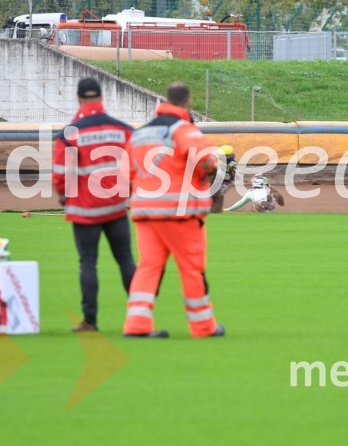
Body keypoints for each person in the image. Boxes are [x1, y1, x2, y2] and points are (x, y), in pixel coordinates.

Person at [123, 82, 224, 339]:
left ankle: (137, 324)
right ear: (188, 102)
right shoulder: (185, 130)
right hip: (179, 213)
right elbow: (208, 162)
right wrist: (203, 179)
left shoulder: (139, 134)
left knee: (148, 267)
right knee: (191, 268)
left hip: (145, 212)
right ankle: (203, 326)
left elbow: (126, 173)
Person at [53, 78, 135, 332]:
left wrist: (64, 197)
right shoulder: (123, 129)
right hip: (116, 207)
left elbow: (61, 173)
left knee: (87, 262)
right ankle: (140, 316)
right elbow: (135, 166)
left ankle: (90, 320)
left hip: (84, 208)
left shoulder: (70, 133)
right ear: (101, 98)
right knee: (125, 259)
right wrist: (126, 193)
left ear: (79, 99)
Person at [210, 144, 237, 213]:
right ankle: (212, 210)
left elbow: (234, 176)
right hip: (214, 180)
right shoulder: (216, 161)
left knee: (218, 194)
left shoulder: (232, 164)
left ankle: (217, 211)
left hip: (225, 182)